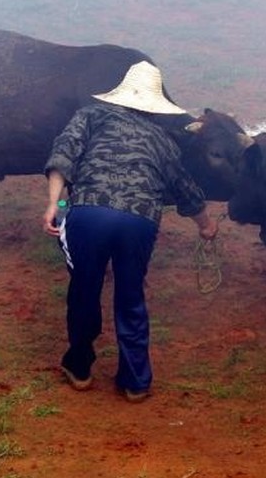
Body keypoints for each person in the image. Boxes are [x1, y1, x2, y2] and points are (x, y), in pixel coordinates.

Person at [42, 61, 218, 402]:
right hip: (139, 222)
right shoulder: (163, 141)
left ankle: (79, 367)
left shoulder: (90, 116)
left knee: (84, 288)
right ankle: (135, 381)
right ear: (156, 107)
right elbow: (187, 192)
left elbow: (62, 155)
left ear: (119, 96)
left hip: (88, 214)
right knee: (130, 296)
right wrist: (207, 226)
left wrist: (53, 203)